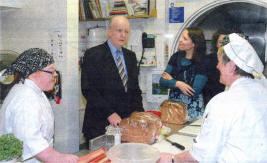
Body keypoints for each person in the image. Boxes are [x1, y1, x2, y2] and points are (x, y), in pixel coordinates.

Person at [158, 33, 267, 163]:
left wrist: (172, 159)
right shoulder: (261, 91)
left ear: (231, 66)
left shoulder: (223, 102)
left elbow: (201, 156)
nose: (217, 66)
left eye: (220, 62)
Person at [0, 48, 79, 163]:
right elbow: (31, 140)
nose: (56, 74)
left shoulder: (35, 91)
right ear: (33, 73)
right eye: (51, 71)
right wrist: (57, 157)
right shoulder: (25, 98)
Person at [81, 15, 144, 148]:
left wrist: (140, 115)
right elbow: (88, 89)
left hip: (126, 125)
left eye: (126, 32)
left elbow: (135, 90)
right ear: (109, 31)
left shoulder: (131, 57)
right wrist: (109, 112)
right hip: (99, 124)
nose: (123, 35)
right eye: (119, 30)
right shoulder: (93, 55)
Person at [159, 27, 207, 121]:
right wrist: (179, 84)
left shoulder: (203, 62)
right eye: (181, 37)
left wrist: (171, 81)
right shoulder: (175, 57)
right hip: (173, 111)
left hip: (193, 113)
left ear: (193, 43)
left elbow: (193, 92)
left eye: (184, 38)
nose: (180, 40)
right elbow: (162, 82)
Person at [202, 29, 232, 106]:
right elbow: (206, 87)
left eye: (226, 42)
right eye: (220, 42)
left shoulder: (237, 61)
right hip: (212, 100)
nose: (223, 45)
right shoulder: (207, 60)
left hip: (231, 101)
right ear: (216, 44)